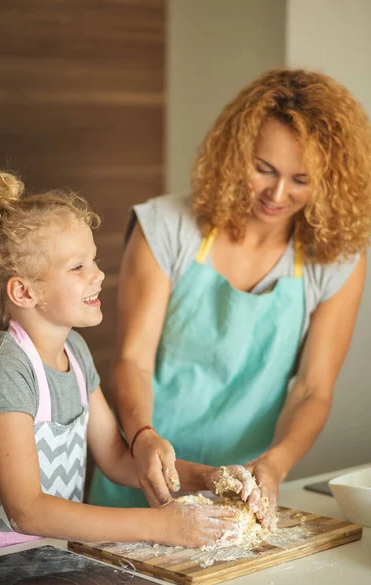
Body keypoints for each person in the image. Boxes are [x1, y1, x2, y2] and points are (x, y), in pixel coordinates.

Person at [89, 68, 371, 525]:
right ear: (235, 152)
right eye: (264, 170)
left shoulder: (336, 260)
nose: (277, 194)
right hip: (142, 477)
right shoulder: (166, 226)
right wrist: (141, 436)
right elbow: (132, 360)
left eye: (300, 179)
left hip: (243, 495)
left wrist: (275, 464)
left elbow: (312, 389)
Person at [0, 168, 241, 551]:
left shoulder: (76, 353)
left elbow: (116, 458)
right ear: (24, 292)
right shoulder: (5, 369)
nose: (98, 275)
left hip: (51, 552)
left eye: (94, 261)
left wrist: (210, 477)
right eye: (78, 267)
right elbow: (26, 509)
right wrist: (160, 525)